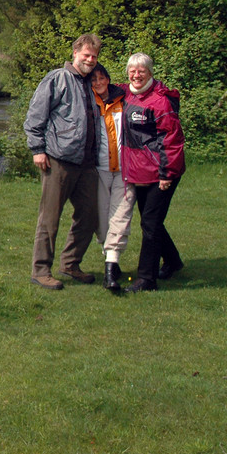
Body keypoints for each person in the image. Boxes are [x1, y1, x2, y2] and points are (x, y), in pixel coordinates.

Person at [24, 33, 101, 290]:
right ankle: (41, 270)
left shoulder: (94, 82)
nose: (90, 60)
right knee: (50, 219)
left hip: (87, 164)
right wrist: (37, 149)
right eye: (86, 55)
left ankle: (70, 263)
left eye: (94, 56)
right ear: (75, 53)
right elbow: (36, 116)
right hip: (58, 160)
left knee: (89, 215)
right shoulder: (57, 78)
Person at [119, 53, 186, 292]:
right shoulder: (125, 93)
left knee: (150, 223)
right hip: (139, 172)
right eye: (132, 71)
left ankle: (146, 279)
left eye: (142, 71)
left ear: (150, 72)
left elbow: (172, 140)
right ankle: (173, 261)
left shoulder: (160, 102)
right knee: (152, 222)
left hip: (162, 173)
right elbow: (99, 83)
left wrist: (166, 173)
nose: (137, 75)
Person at [89, 63, 131, 291]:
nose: (98, 83)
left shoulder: (124, 100)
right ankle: (111, 260)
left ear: (108, 78)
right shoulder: (87, 102)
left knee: (121, 215)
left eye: (101, 78)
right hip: (100, 169)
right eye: (93, 80)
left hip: (126, 170)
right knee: (102, 221)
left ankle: (110, 270)